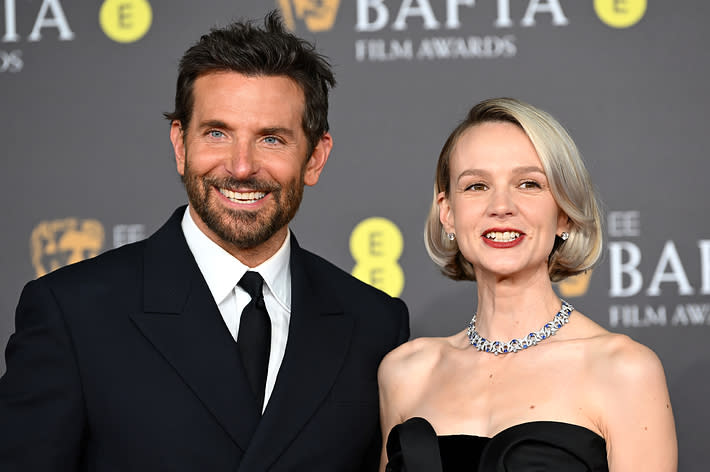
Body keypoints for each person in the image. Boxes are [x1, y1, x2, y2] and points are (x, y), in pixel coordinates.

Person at [0, 11, 409, 472]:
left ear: (315, 158)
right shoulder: (73, 314)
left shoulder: (374, 324)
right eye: (217, 133)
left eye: (271, 139)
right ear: (180, 144)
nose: (240, 166)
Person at [378, 98, 676, 471]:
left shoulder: (624, 370)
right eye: (476, 186)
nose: (501, 205)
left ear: (564, 215)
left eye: (528, 183)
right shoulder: (405, 372)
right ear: (448, 213)